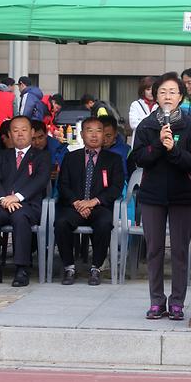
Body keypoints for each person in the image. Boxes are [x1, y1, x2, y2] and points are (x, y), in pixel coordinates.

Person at [130, 72, 191, 320]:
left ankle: (177, 302)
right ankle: (156, 301)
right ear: (155, 96)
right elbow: (138, 159)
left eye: (172, 92)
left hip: (183, 196)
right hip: (152, 197)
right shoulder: (147, 125)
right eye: (162, 92)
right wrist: (159, 144)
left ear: (181, 96)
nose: (167, 96)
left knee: (181, 250)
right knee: (154, 250)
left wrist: (174, 151)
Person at [0, 116, 52, 287]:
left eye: (24, 130)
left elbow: (40, 181)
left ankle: (21, 269)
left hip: (29, 205)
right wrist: (3, 199)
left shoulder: (42, 156)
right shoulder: (2, 155)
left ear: (32, 132)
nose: (20, 134)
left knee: (20, 217)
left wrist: (17, 197)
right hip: (3, 203)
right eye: (15, 130)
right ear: (10, 134)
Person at [54, 117, 125, 286]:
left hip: (99, 206)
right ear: (81, 134)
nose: (94, 135)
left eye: (98, 131)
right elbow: (63, 185)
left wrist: (93, 202)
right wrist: (77, 203)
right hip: (75, 206)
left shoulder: (113, 159)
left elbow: (116, 187)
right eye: (89, 131)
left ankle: (96, 268)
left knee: (104, 224)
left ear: (104, 135)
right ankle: (69, 267)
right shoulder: (71, 157)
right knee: (61, 223)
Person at [128, 76, 157, 145]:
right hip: (139, 142)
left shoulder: (160, 105)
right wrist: (152, 123)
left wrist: (142, 120)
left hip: (156, 143)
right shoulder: (135, 105)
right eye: (148, 89)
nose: (151, 92)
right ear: (143, 91)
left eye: (153, 89)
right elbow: (133, 124)